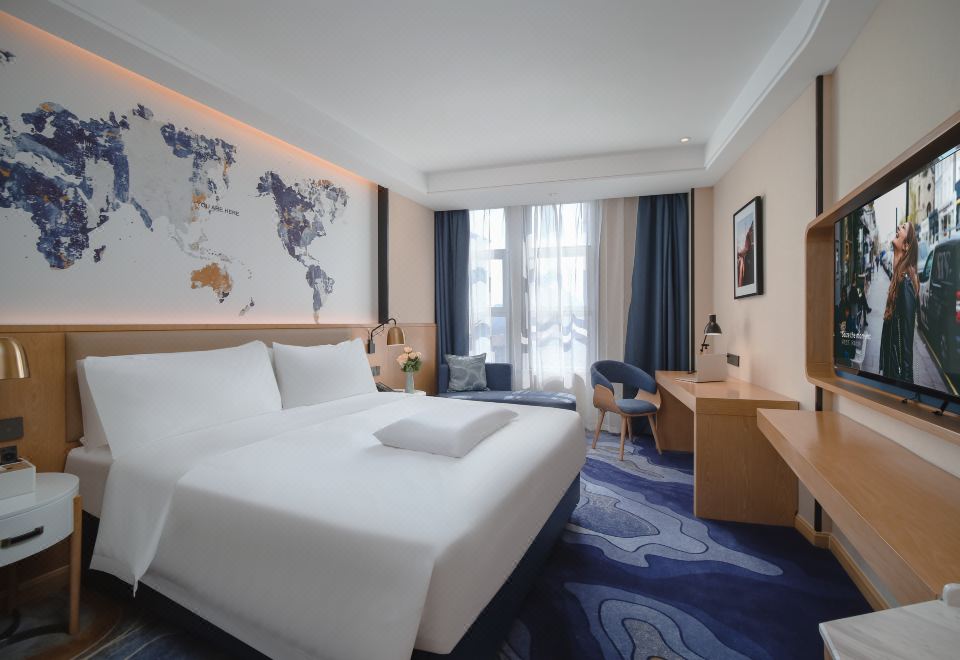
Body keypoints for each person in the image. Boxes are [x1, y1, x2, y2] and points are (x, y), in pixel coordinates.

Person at [879, 222, 920, 383]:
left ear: (906, 246)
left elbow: (907, 343)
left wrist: (907, 385)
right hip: (890, 369)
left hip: (897, 375)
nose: (898, 228)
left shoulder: (906, 282)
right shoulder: (898, 277)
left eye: (903, 228)